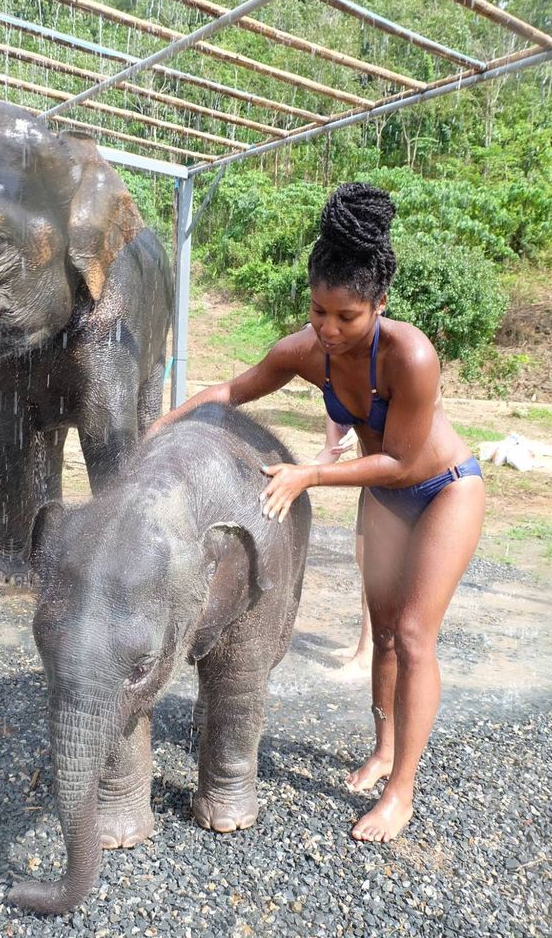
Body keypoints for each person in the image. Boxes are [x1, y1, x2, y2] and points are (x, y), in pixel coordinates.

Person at [150, 182, 485, 843]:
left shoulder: (411, 355)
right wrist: (165, 420)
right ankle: (384, 750)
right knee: (384, 631)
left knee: (416, 635)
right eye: (318, 311)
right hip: (382, 491)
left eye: (347, 317)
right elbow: (232, 388)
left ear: (379, 305)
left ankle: (402, 789)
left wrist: (310, 473)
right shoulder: (306, 350)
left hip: (443, 487)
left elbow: (406, 461)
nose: (329, 330)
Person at [314, 420, 372, 680]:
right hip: (372, 483)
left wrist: (364, 430)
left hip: (398, 480)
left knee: (377, 567)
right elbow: (330, 451)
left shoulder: (383, 382)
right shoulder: (333, 392)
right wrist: (292, 474)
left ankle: (367, 654)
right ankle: (368, 644)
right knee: (365, 560)